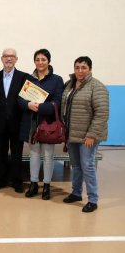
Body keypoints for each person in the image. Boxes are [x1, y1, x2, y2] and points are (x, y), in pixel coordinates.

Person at [61, 56, 109, 213]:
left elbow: (102, 113)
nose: (80, 70)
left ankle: (93, 200)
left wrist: (92, 134)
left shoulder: (97, 87)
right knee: (76, 166)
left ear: (90, 69)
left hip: (87, 136)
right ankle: (76, 193)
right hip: (72, 133)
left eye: (83, 67)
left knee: (87, 166)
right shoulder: (69, 84)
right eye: (77, 67)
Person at [19, 49, 64, 200]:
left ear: (49, 61)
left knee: (48, 155)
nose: (40, 62)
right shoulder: (29, 79)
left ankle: (46, 185)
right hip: (32, 122)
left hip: (48, 123)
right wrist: (28, 105)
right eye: (37, 59)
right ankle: (33, 184)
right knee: (34, 154)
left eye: (43, 59)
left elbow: (58, 102)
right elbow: (20, 100)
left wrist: (40, 107)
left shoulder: (57, 80)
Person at [0, 48, 26, 193]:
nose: (9, 59)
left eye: (12, 56)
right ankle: (1, 179)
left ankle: (17, 180)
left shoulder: (24, 77)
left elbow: (26, 99)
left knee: (17, 154)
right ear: (2, 58)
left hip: (17, 123)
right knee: (2, 153)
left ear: (16, 59)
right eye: (6, 56)